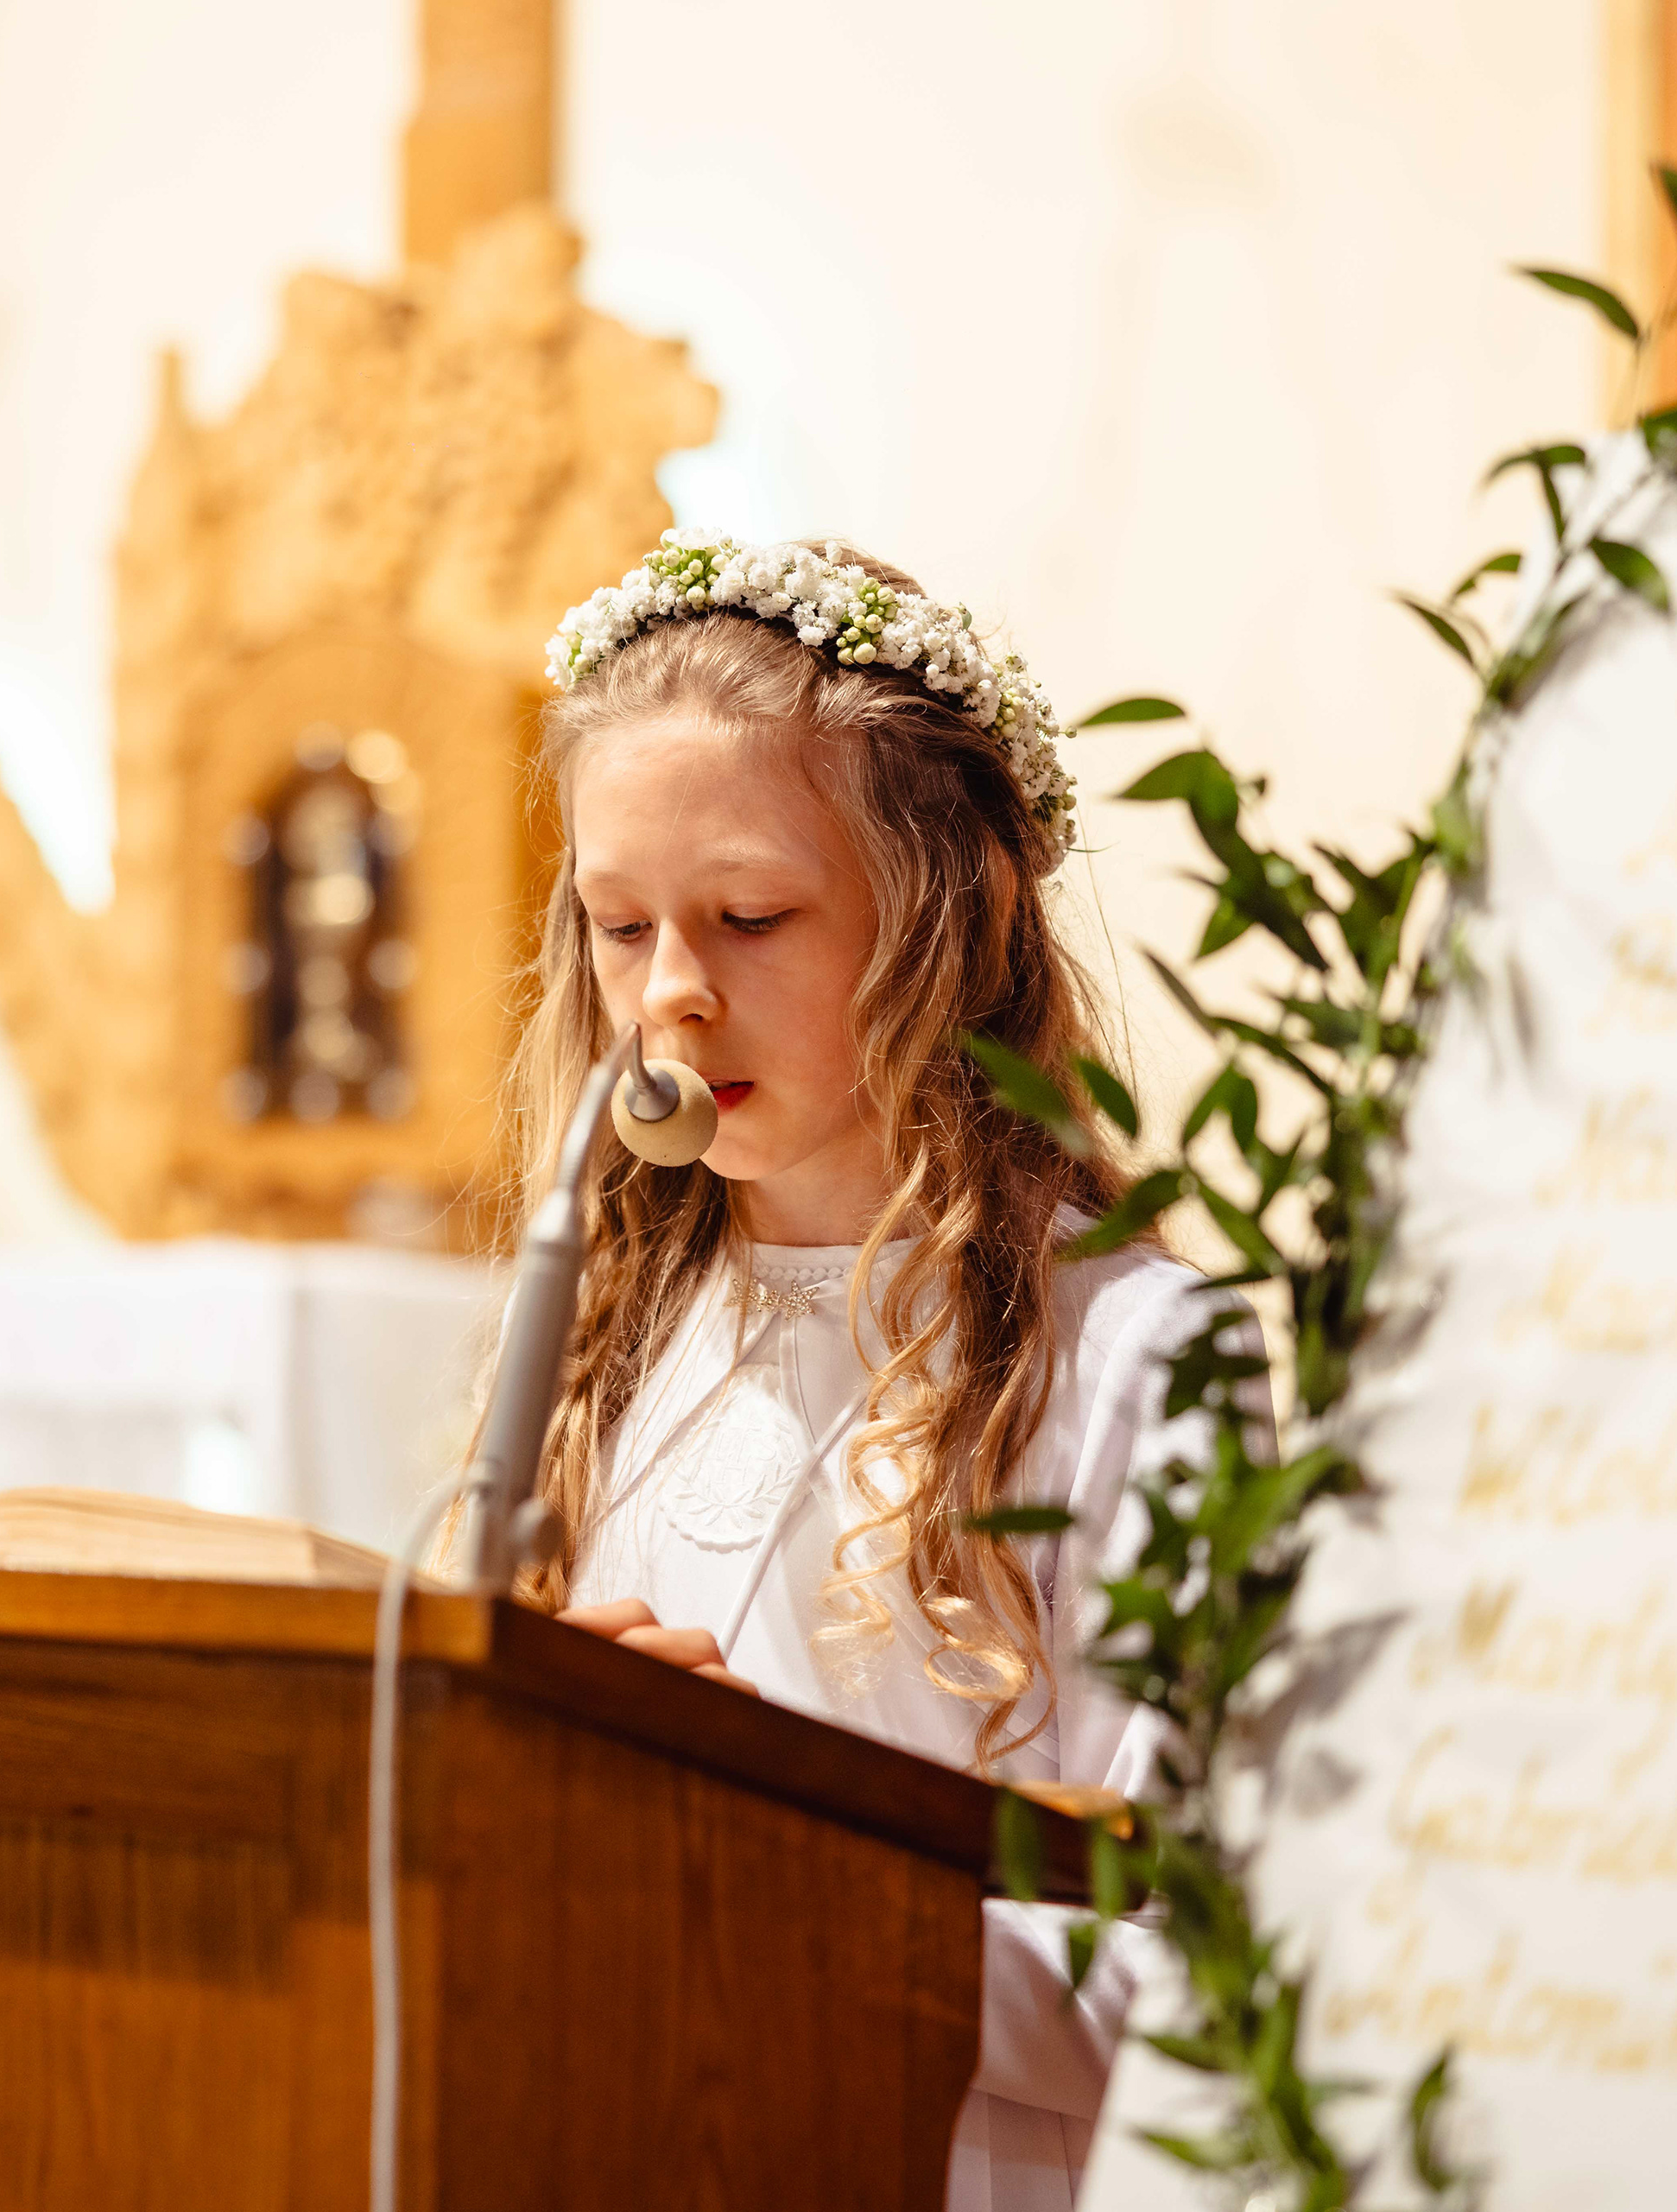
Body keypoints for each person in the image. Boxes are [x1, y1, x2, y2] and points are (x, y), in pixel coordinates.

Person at [503, 534, 1244, 2212]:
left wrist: (769, 1854)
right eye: (620, 926)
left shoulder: (1142, 1352)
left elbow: (1206, 1984)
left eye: (751, 917)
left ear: (951, 916)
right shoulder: (608, 1330)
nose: (670, 994)